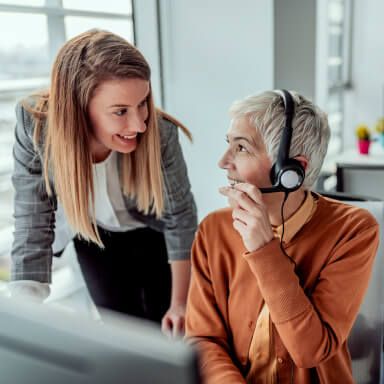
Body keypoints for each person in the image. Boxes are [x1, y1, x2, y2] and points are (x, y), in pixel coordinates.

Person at [10, 29, 197, 339]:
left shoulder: (160, 132)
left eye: (143, 103)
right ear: (79, 109)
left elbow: (181, 216)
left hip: (153, 233)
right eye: (121, 111)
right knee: (121, 335)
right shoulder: (36, 127)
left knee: (167, 331)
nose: (139, 124)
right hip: (92, 234)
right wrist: (23, 321)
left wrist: (181, 304)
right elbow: (32, 224)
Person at [185, 90, 379, 382]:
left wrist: (264, 249)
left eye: (241, 148)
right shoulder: (213, 230)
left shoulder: (353, 230)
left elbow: (310, 351)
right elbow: (203, 339)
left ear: (290, 171)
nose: (224, 162)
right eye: (229, 145)